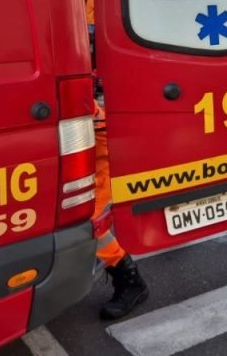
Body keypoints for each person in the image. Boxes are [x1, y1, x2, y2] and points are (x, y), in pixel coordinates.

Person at [91, 103, 149, 319]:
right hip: (85, 162)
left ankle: (131, 280)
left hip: (97, 165)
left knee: (88, 222)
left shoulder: (81, 102)